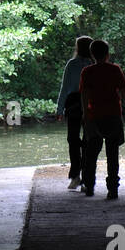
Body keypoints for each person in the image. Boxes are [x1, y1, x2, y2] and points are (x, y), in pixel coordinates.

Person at [79, 39, 125, 199]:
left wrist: (86, 116)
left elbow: (84, 95)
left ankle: (89, 185)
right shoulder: (115, 69)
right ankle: (112, 188)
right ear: (108, 54)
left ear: (92, 54)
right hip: (113, 115)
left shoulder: (87, 71)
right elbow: (123, 92)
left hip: (94, 116)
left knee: (91, 153)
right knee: (112, 154)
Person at [56, 37, 93, 190]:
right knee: (86, 140)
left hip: (74, 102)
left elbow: (64, 88)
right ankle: (83, 177)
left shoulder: (73, 64)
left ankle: (77, 176)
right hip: (88, 102)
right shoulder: (92, 64)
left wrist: (59, 109)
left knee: (73, 139)